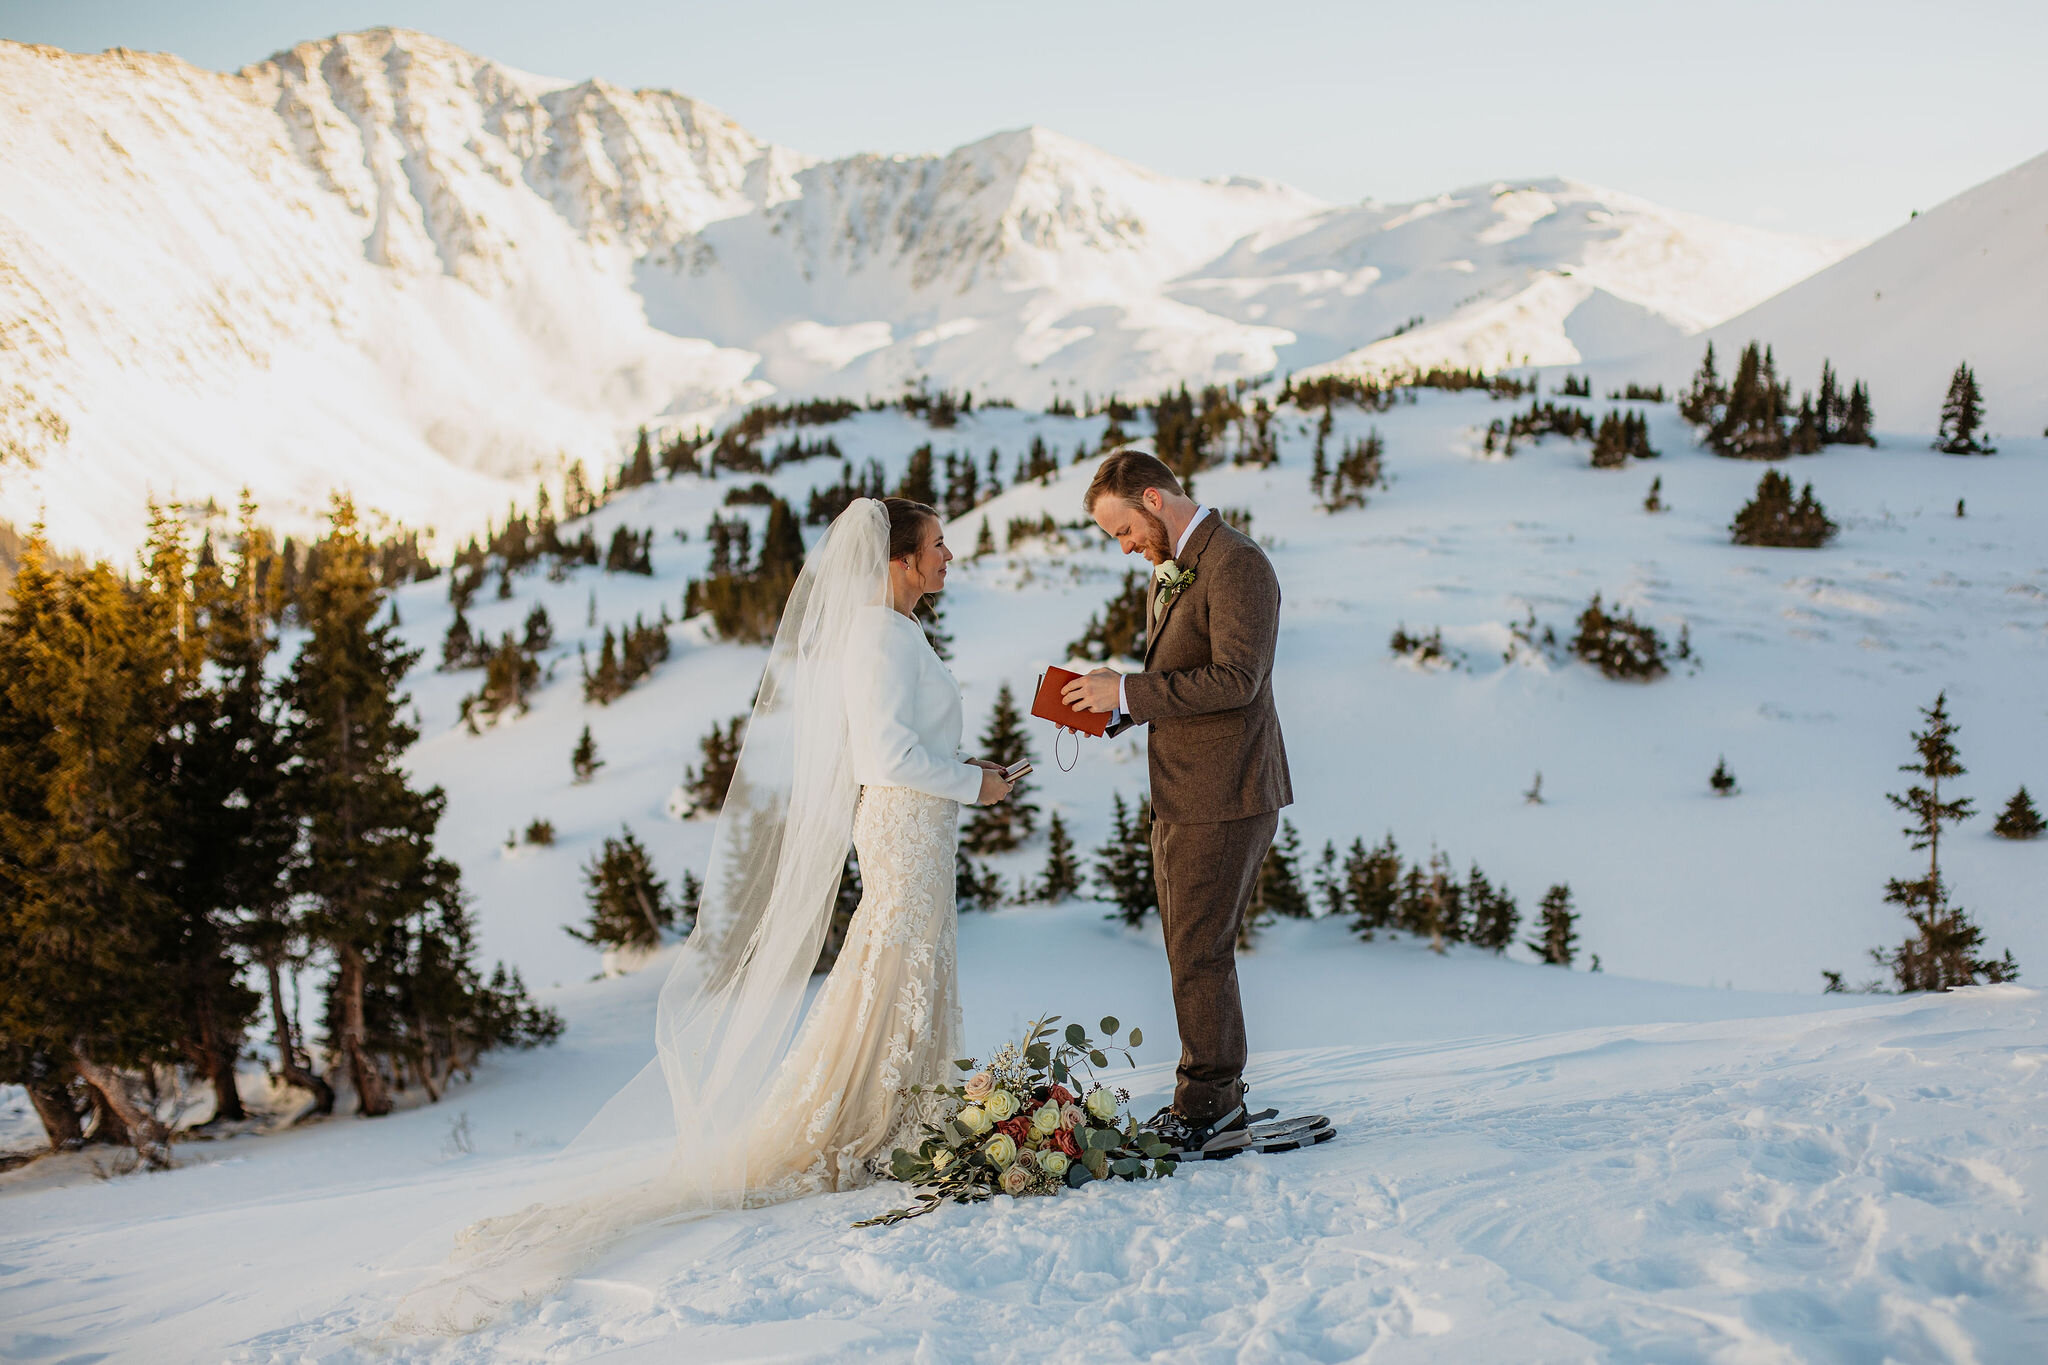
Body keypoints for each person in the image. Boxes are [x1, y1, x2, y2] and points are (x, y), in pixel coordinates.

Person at [399, 496, 1012, 1332]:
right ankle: (869, 1117)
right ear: (899, 560)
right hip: (905, 824)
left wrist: (965, 772)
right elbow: (885, 755)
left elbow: (912, 743)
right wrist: (969, 781)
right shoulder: (875, 634)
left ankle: (905, 1101)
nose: (949, 557)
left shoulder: (900, 631)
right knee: (891, 957)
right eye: (938, 545)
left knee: (911, 957)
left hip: (923, 822)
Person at [1061, 445, 1292, 1159]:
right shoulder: (1174, 570)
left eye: (1124, 530)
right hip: (1185, 790)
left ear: (1154, 501)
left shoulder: (1238, 564)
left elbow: (1238, 679)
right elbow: (1187, 677)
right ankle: (1213, 1097)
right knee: (1189, 947)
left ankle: (1210, 1105)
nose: (1126, 548)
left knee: (1200, 950)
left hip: (1229, 790)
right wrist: (1117, 706)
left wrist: (1130, 689)